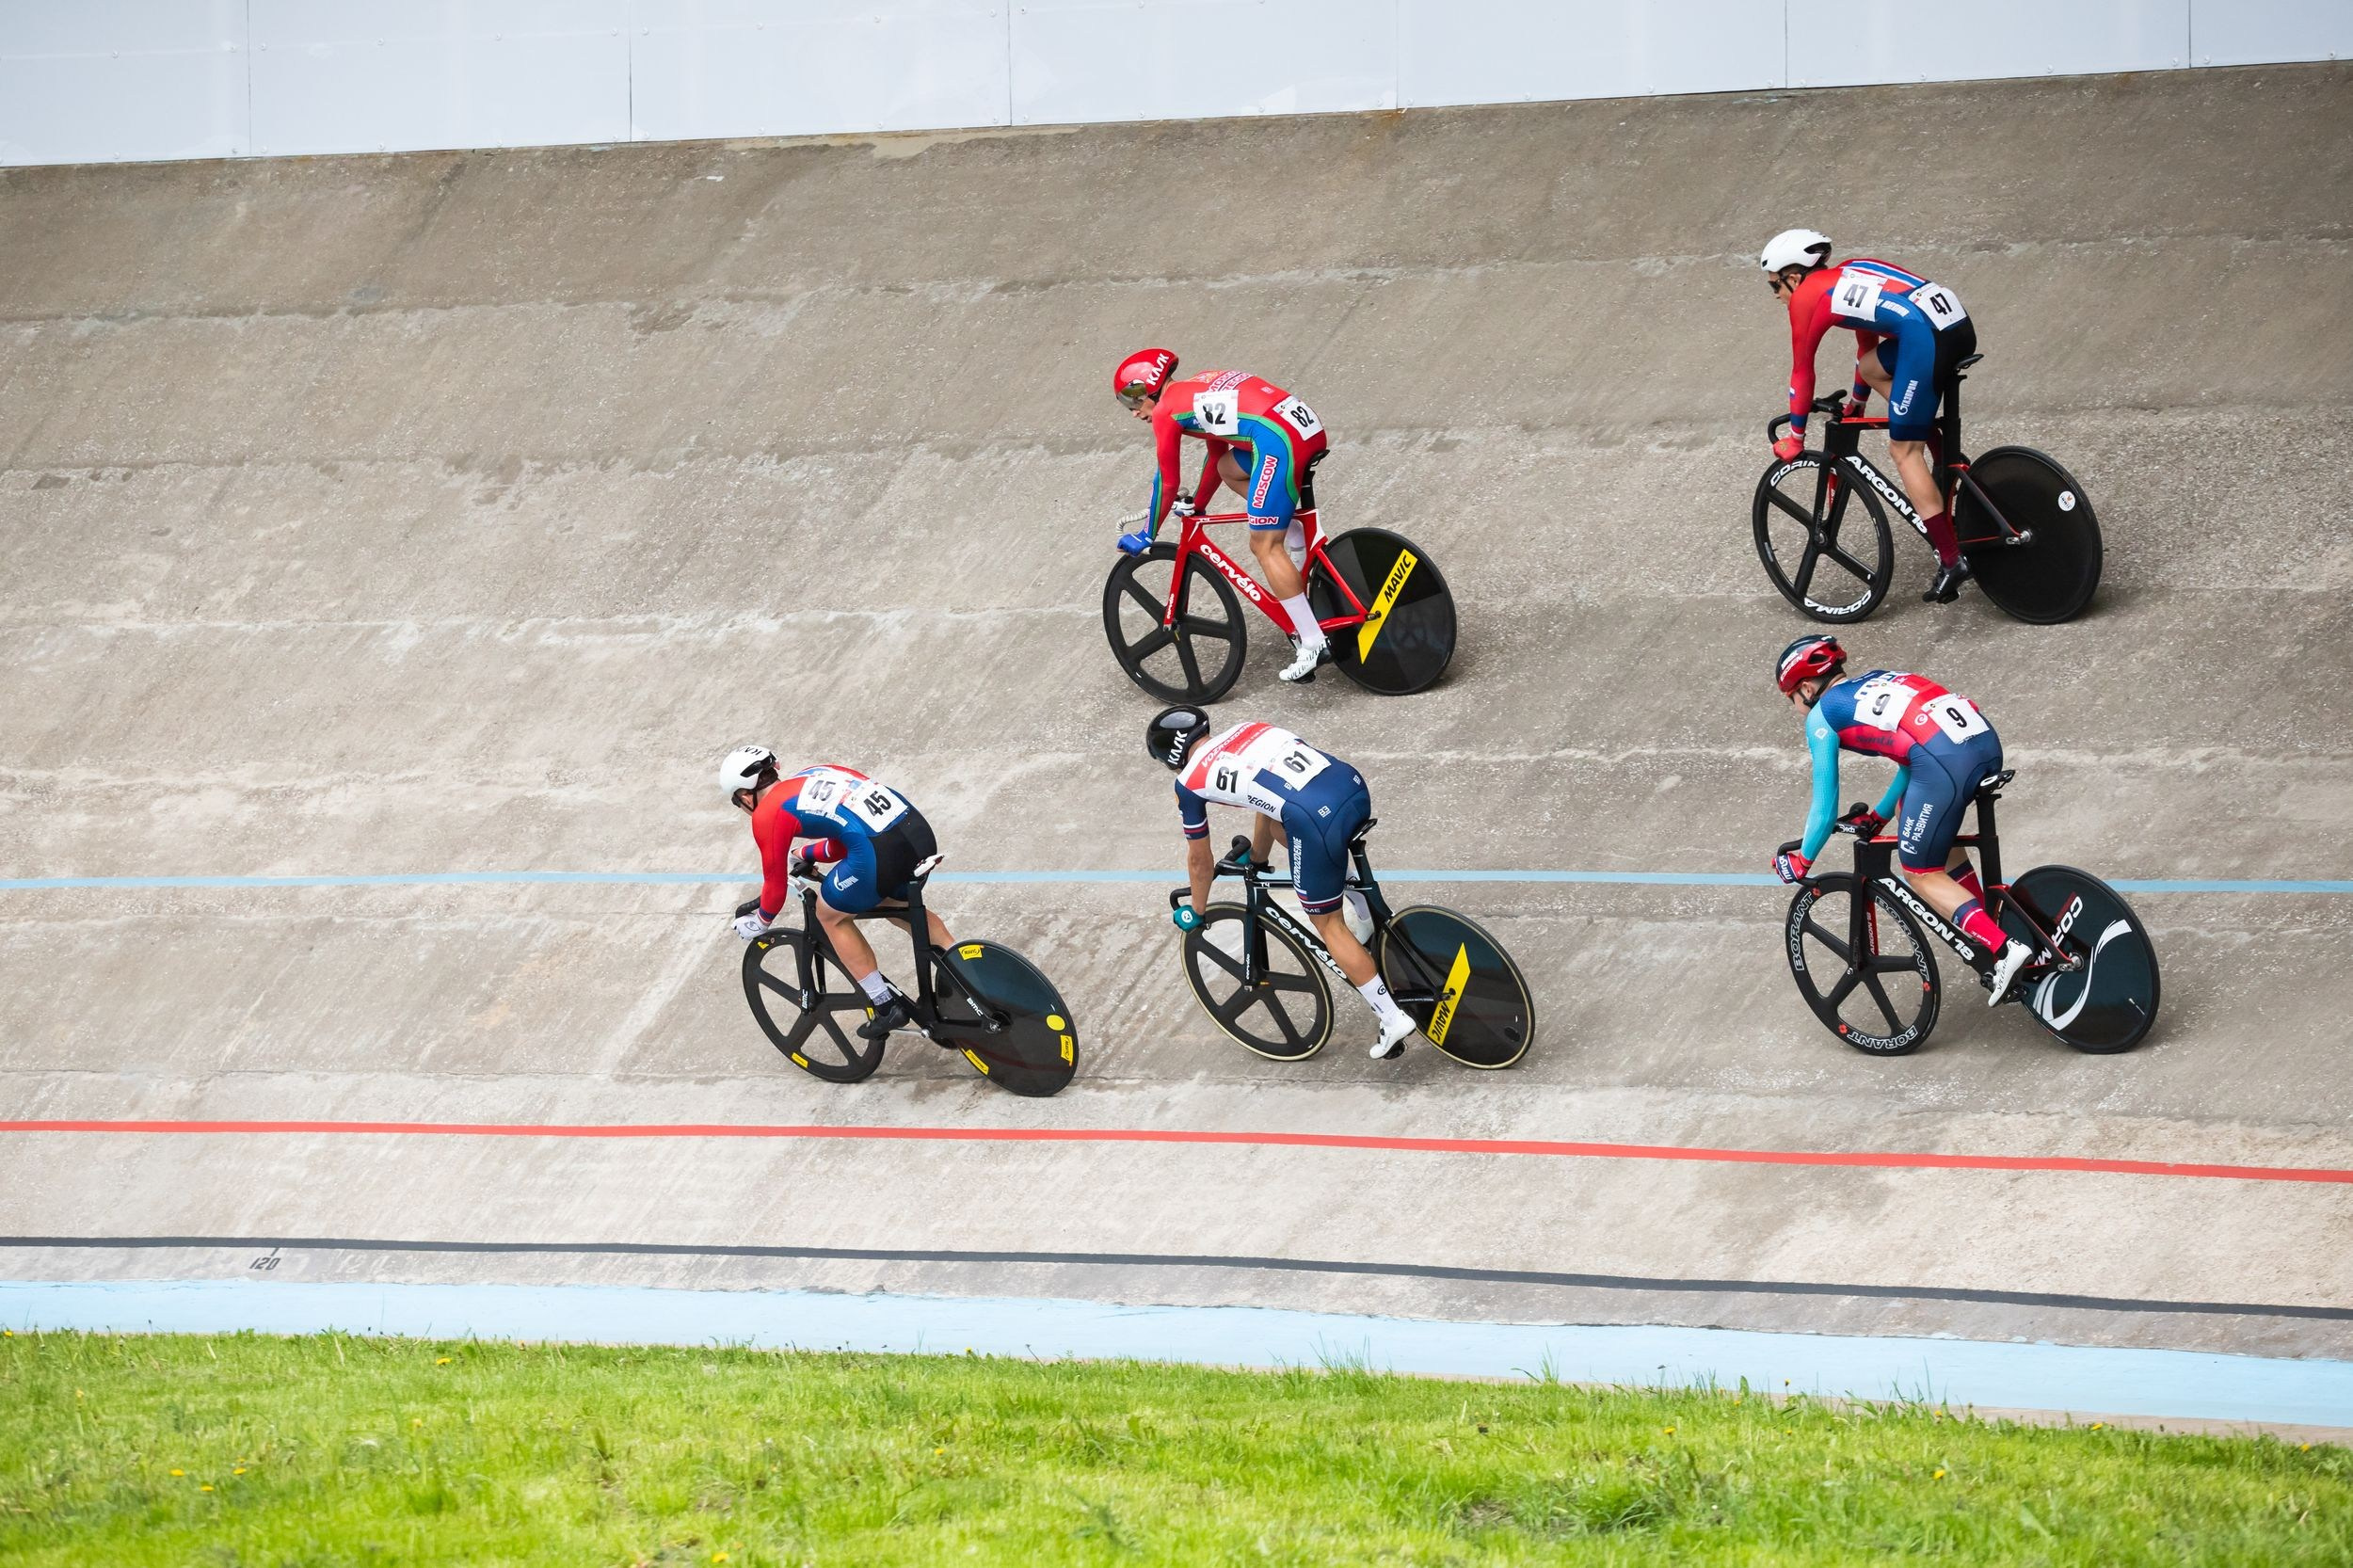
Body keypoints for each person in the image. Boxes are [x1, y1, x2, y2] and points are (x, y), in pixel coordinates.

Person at [1770, 636, 2034, 1003]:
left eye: (1791, 700)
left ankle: (2004, 950)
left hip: (1944, 764)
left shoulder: (1821, 715)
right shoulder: (1877, 679)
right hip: (1983, 745)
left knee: (1920, 872)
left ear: (1805, 688)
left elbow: (1824, 804)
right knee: (1911, 817)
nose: (1796, 708)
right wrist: (1879, 815)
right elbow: (1911, 758)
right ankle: (1989, 922)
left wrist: (1803, 860)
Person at [1147, 705, 1418, 1058]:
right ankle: (1365, 914)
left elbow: (1200, 860)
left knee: (1329, 923)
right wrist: (1256, 860)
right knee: (1281, 824)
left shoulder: (1188, 783)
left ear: (1172, 757)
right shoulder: (1247, 728)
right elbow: (1269, 803)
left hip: (1316, 822)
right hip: (1351, 787)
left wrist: (1196, 910)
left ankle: (1391, 1017)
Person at [1759, 230, 1981, 604]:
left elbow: (1802, 372)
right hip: (1955, 327)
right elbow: (1868, 348)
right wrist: (1858, 404)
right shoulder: (1852, 273)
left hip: (1925, 340)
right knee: (1872, 366)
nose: (1778, 297)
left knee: (1903, 451)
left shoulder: (1806, 299)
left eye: (1775, 288)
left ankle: (1951, 559)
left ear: (1793, 277)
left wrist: (1795, 439)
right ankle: (1935, 446)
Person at [1112, 348, 1333, 682]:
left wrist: (1146, 534)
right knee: (1229, 467)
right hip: (1299, 428)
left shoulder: (1167, 412)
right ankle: (1292, 530)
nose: (1132, 412)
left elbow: (1167, 482)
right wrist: (1198, 505)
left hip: (1277, 441)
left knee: (1263, 545)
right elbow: (1217, 457)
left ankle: (1314, 643)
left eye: (1132, 400)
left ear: (1150, 389)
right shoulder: (1197, 387)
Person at [721, 745, 951, 1040]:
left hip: (878, 852)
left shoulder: (767, 813)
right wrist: (805, 852)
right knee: (894, 904)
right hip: (916, 833)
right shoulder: (816, 774)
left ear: (744, 795)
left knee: (830, 916)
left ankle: (885, 1006)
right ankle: (969, 971)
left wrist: (760, 921)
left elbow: (774, 885)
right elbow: (844, 838)